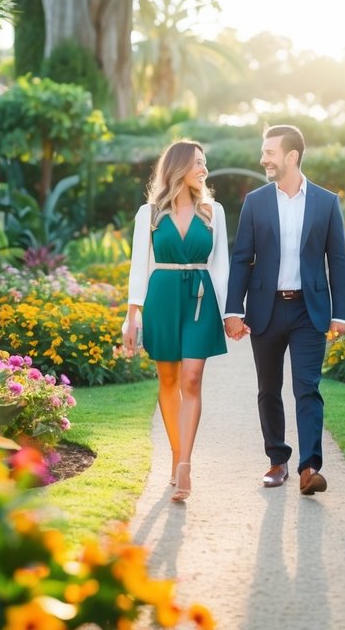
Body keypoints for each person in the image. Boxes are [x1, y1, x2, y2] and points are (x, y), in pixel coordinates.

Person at [224, 124, 345, 494]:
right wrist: (234, 309)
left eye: (269, 152)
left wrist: (340, 313)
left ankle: (309, 468)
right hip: (266, 310)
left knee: (307, 388)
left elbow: (337, 262)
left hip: (310, 311)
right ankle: (277, 460)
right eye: (264, 152)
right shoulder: (256, 202)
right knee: (268, 388)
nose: (263, 159)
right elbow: (242, 258)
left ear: (291, 156)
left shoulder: (327, 202)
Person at [124, 141, 229, 503]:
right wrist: (131, 315)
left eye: (205, 162)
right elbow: (140, 265)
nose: (204, 169)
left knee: (192, 378)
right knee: (168, 380)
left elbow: (221, 265)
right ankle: (174, 453)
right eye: (198, 162)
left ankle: (184, 466)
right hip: (163, 297)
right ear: (179, 166)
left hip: (200, 299)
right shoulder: (149, 213)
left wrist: (231, 313)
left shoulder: (213, 211)